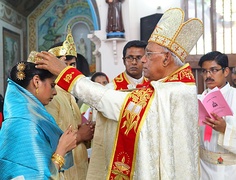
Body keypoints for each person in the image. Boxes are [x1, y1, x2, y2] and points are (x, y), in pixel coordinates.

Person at [35, 7, 203, 179]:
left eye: (148, 54)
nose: (143, 60)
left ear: (166, 58)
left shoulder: (171, 92)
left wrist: (65, 73)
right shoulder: (177, 87)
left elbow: (110, 101)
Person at [0, 59, 92, 179]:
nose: (55, 92)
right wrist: (61, 150)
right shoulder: (27, 124)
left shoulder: (28, 118)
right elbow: (36, 176)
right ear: (36, 81)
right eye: (52, 85)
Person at [45, 30, 94, 180]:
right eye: (63, 64)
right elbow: (50, 139)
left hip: (79, 166)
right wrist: (80, 135)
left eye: (72, 64)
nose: (67, 70)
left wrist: (87, 132)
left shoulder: (70, 95)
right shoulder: (51, 94)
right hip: (62, 169)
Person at [198, 51, 236, 180]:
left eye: (213, 70)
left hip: (231, 170)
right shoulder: (198, 100)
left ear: (226, 71)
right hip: (203, 168)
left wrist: (225, 129)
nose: (208, 75)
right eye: (204, 71)